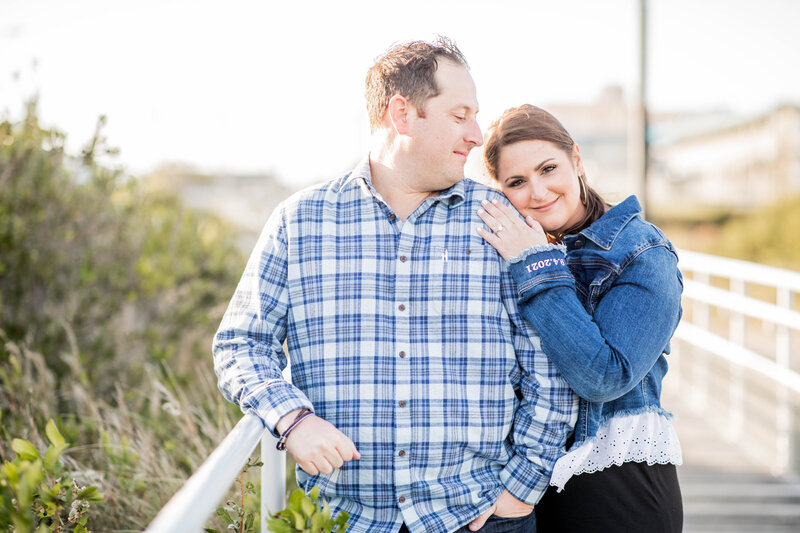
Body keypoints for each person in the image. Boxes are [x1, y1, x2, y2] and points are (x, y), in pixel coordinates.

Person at [213, 41, 577, 533]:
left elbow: (551, 367)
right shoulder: (299, 224)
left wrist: (520, 490)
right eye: (460, 115)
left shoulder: (504, 221)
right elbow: (240, 344)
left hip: (481, 515)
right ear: (402, 114)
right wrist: (292, 419)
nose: (476, 135)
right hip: (344, 520)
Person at [476, 104, 684, 532]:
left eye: (548, 168)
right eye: (517, 182)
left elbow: (604, 377)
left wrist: (536, 266)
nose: (538, 192)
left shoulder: (642, 252)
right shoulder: (512, 252)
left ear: (576, 160)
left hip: (618, 489)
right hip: (529, 490)